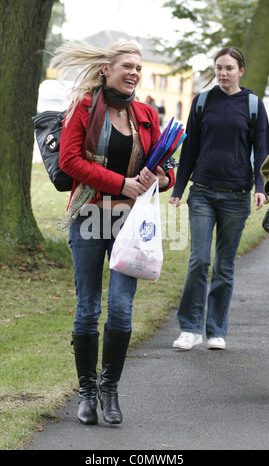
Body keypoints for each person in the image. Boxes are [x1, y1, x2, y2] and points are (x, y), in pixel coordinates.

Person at [50, 41, 175, 425]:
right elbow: (68, 160)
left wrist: (161, 178)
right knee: (88, 307)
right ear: (107, 69)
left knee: (121, 309)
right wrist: (121, 183)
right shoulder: (85, 107)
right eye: (127, 66)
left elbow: (166, 170)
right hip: (89, 216)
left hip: (129, 226)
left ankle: (109, 389)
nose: (134, 72)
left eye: (138, 67)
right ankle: (86, 392)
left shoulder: (146, 114)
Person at [169, 46, 269, 351]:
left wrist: (261, 187)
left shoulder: (253, 105)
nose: (223, 73)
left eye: (229, 68)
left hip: (237, 197)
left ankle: (215, 330)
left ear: (240, 71)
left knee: (224, 266)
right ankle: (189, 328)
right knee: (199, 261)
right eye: (219, 67)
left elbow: (263, 151)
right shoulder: (202, 102)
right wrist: (177, 189)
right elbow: (190, 149)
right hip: (201, 193)